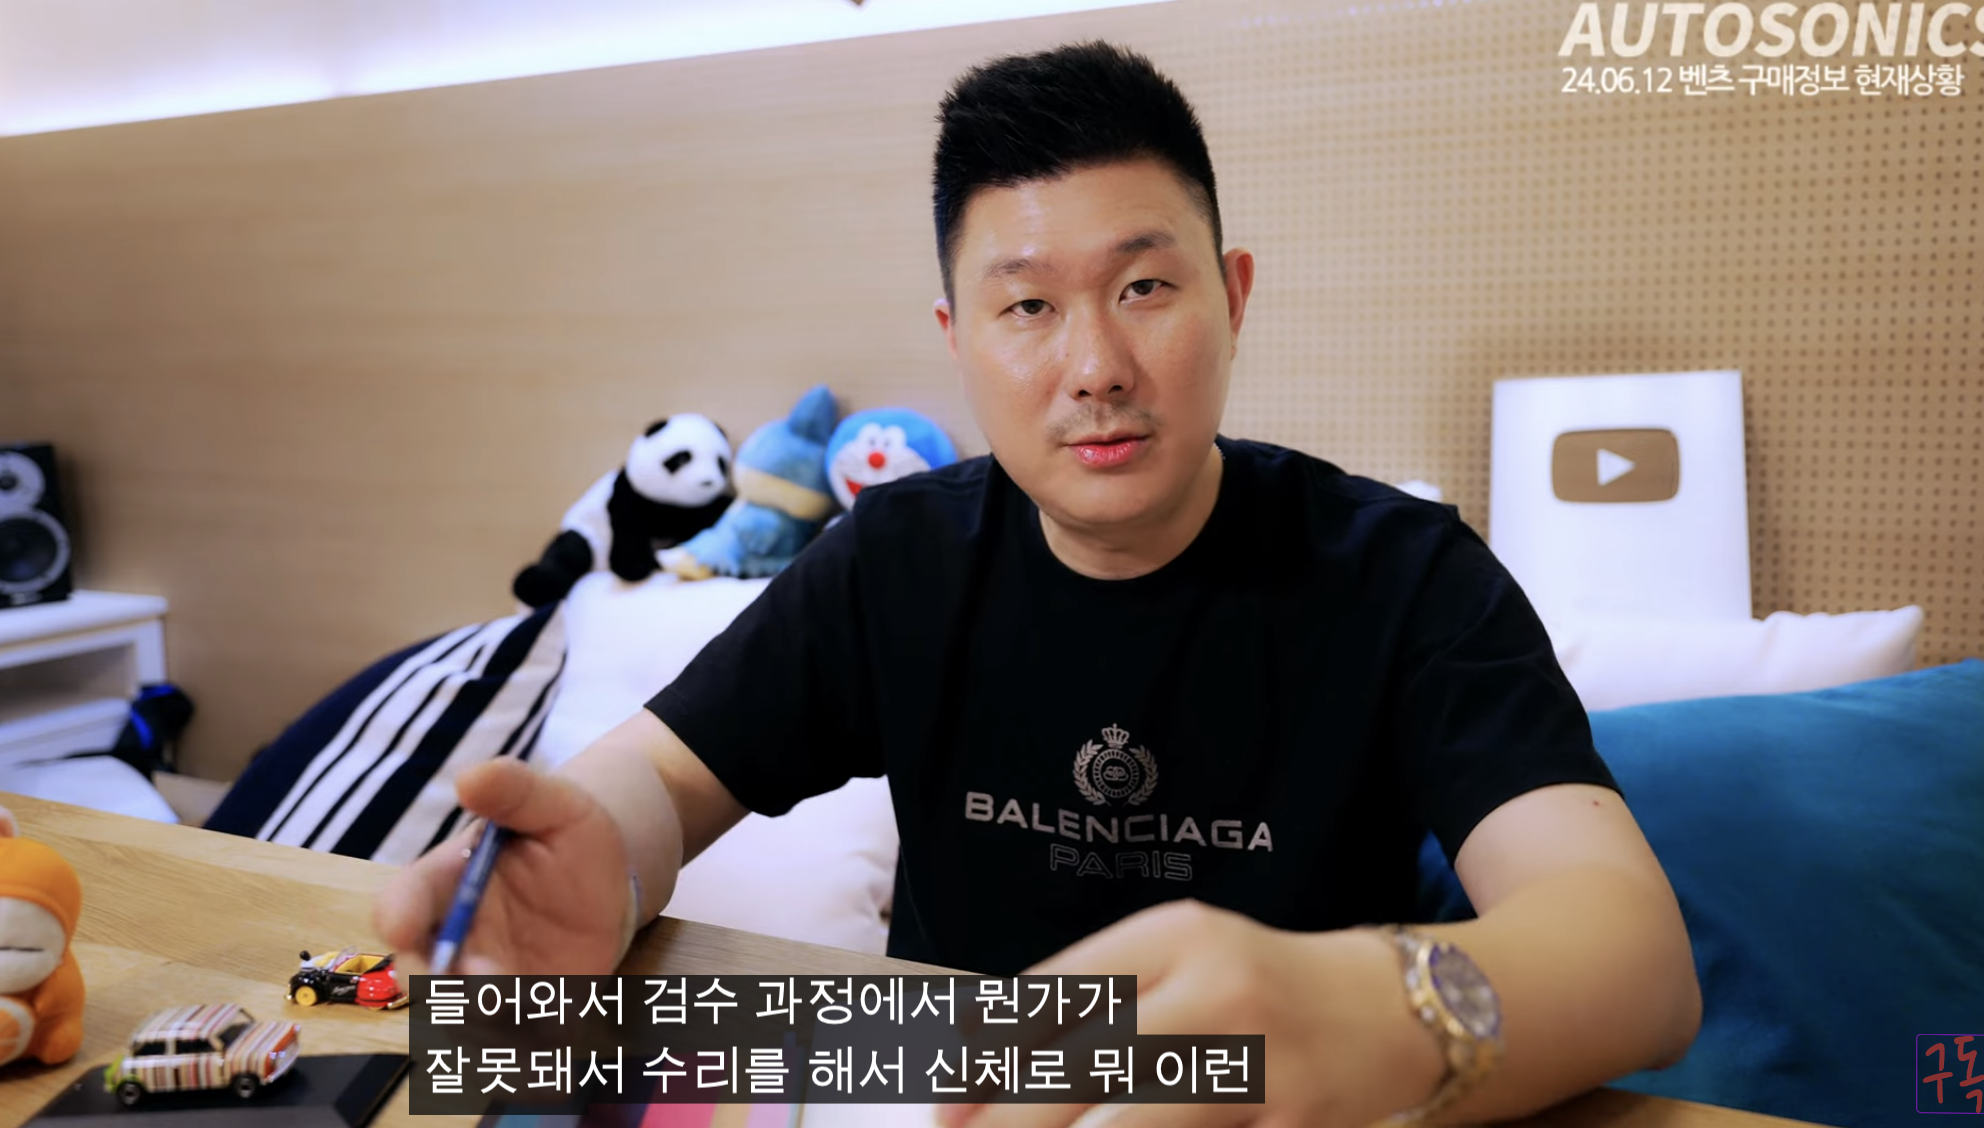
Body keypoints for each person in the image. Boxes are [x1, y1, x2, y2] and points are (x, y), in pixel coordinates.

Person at [376, 41, 1701, 1127]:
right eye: (1027, 307)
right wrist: (598, 869)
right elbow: (662, 779)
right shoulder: (899, 559)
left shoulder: (1402, 576)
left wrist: (1372, 1008)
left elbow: (1631, 956)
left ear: (1234, 297)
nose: (1096, 366)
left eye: (1145, 285)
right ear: (956, 338)